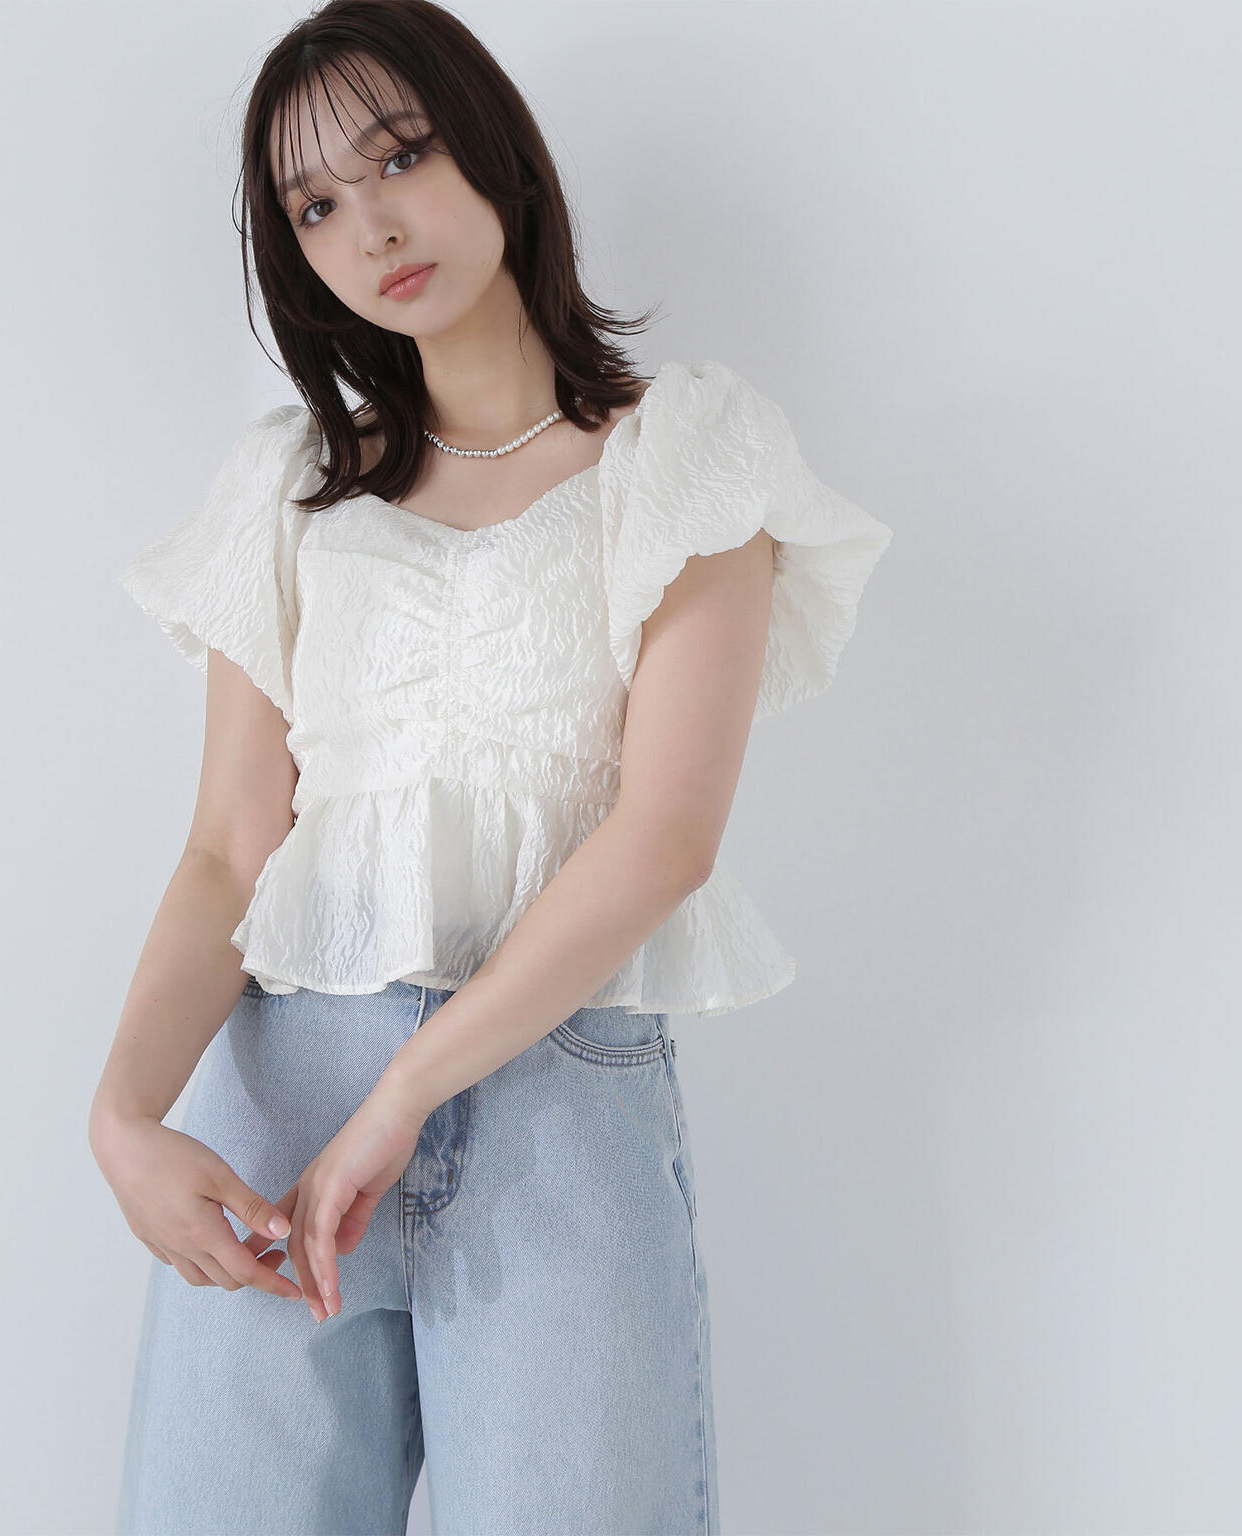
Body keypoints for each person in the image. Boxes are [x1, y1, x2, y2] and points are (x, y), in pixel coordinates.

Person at [88, 2, 894, 1532]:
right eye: (315, 207)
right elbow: (228, 850)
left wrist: (407, 1093)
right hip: (280, 1109)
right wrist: (124, 1117)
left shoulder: (683, 456)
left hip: (554, 1109)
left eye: (402, 155)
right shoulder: (289, 487)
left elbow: (663, 836)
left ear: (495, 150)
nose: (372, 226)